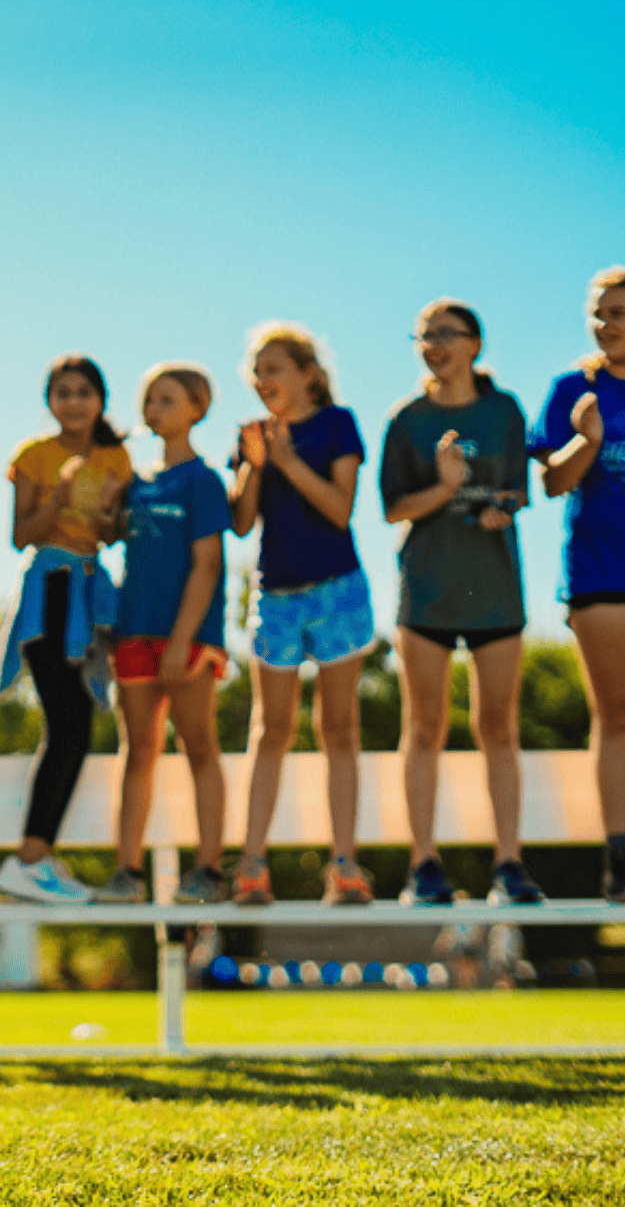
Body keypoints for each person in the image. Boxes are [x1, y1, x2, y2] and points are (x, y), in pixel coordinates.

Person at [381, 300, 544, 907]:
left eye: (446, 335)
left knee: (497, 728)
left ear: (475, 344)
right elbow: (393, 508)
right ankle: (424, 866)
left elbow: (518, 490)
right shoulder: (406, 419)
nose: (433, 346)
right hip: (424, 592)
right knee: (424, 729)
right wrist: (445, 488)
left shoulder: (504, 411)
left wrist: (499, 506)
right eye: (424, 336)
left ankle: (510, 865)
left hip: (495, 593)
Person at [530, 267, 625, 903]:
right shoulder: (574, 389)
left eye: (617, 312)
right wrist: (587, 440)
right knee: (618, 714)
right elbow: (553, 482)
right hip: (599, 574)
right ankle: (622, 861)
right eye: (598, 314)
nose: (604, 324)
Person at [228, 323, 375, 907]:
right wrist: (258, 464)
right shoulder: (252, 438)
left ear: (309, 374)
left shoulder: (338, 426)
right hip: (278, 596)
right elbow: (241, 522)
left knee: (338, 728)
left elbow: (340, 509)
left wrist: (288, 462)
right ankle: (252, 865)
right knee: (272, 730)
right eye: (258, 371)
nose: (264, 381)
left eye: (275, 369)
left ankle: (343, 865)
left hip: (337, 590)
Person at [0, 355, 131, 904]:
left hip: (91, 590)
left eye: (83, 391)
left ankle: (36, 855)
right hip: (48, 587)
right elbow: (20, 534)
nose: (73, 401)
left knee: (76, 725)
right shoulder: (33, 456)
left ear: (101, 398)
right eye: (62, 392)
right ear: (49, 400)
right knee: (67, 720)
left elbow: (113, 533)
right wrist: (60, 493)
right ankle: (30, 858)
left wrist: (104, 512)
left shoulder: (116, 456)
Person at [94, 364, 231, 906]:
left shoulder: (203, 481)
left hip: (188, 640)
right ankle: (127, 872)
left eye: (167, 399)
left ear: (196, 407)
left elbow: (207, 565)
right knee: (138, 751)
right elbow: (110, 539)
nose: (155, 409)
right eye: (149, 399)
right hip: (133, 633)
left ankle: (210, 870)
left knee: (199, 744)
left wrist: (182, 640)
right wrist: (105, 505)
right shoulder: (135, 482)